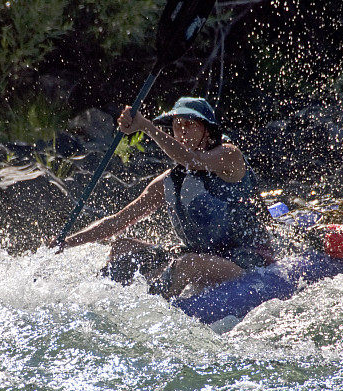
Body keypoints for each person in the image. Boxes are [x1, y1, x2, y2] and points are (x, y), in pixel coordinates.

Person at [51, 96, 275, 298]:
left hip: (247, 262)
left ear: (207, 131)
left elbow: (192, 160)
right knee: (122, 246)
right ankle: (102, 300)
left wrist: (145, 126)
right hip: (199, 255)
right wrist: (67, 243)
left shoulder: (229, 156)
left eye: (190, 125)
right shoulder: (169, 181)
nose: (182, 132)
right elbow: (118, 221)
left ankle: (156, 308)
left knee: (187, 265)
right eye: (178, 127)